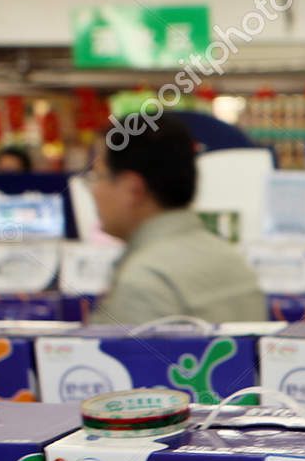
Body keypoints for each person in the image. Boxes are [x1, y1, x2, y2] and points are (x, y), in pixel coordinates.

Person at [88, 114, 265, 326]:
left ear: (133, 189)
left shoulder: (144, 282)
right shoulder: (234, 262)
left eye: (97, 176)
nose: (93, 191)